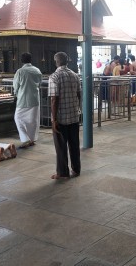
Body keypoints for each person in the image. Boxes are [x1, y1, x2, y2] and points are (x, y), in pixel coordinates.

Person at [48, 52, 81, 180]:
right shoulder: (75, 75)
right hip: (73, 116)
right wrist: (77, 109)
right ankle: (76, 169)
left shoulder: (54, 77)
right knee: (74, 144)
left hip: (61, 117)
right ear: (67, 61)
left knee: (61, 146)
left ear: (56, 61)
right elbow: (79, 94)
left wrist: (54, 118)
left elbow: (54, 99)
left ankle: (62, 173)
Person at [13, 52, 42, 149]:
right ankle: (32, 139)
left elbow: (16, 86)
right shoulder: (37, 70)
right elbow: (40, 84)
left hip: (23, 99)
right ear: (31, 60)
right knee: (33, 121)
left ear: (21, 60)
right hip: (35, 99)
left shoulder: (20, 71)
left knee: (18, 118)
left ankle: (25, 139)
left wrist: (16, 94)